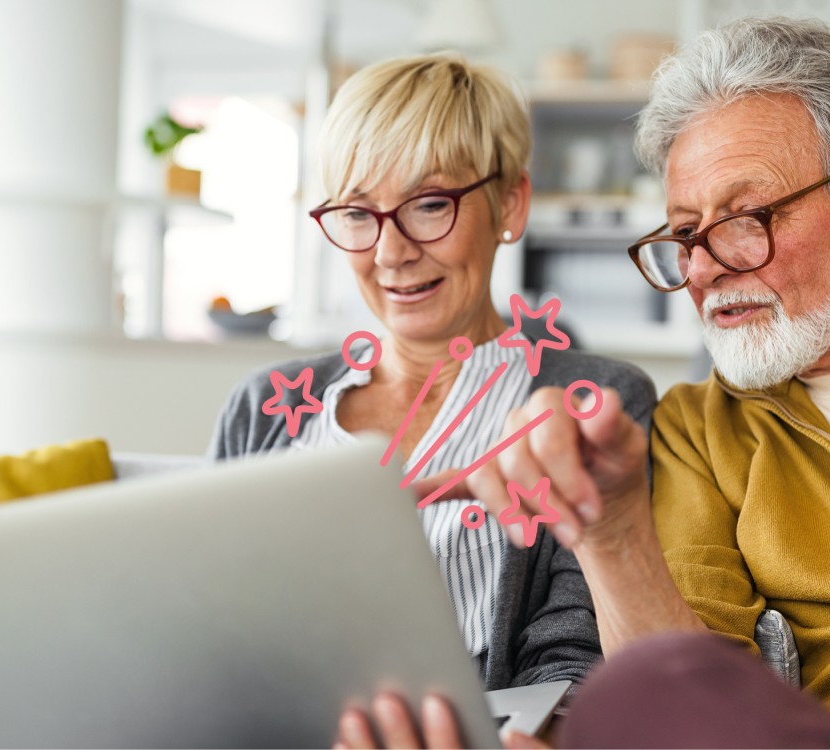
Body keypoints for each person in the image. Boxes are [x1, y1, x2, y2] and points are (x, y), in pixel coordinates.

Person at [338, 17, 830, 749]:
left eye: (746, 219)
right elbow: (680, 706)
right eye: (685, 234)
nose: (704, 269)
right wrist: (612, 533)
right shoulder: (698, 432)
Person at [208, 54, 656, 694]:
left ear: (510, 204)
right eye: (359, 214)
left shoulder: (597, 405)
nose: (390, 252)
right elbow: (204, 627)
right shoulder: (262, 409)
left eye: (429, 204)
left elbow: (573, 669)